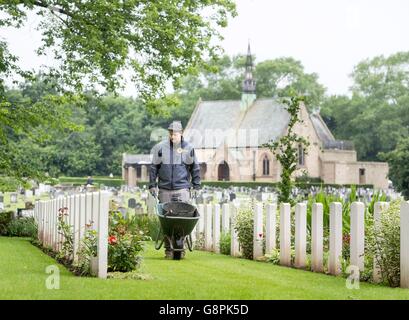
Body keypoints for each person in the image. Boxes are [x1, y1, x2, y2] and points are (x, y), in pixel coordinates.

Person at [149, 120, 201, 258]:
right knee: (166, 221)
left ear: (181, 133)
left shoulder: (188, 148)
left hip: (182, 189)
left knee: (182, 219)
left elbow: (195, 167)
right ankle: (168, 250)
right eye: (171, 133)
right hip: (165, 189)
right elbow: (154, 167)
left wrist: (196, 185)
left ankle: (180, 248)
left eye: (175, 134)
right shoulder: (160, 148)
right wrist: (152, 185)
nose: (173, 136)